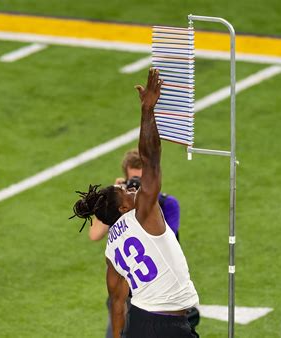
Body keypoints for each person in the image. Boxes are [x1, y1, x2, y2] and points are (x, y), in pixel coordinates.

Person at [71, 68, 199, 338]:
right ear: (124, 208)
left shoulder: (111, 249)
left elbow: (117, 305)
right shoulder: (143, 214)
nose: (132, 191)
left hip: (139, 323)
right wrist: (147, 111)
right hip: (169, 326)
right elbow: (151, 157)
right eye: (127, 193)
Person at [89, 149, 181, 242]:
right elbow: (94, 235)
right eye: (134, 180)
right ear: (126, 180)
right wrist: (110, 199)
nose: (139, 186)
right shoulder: (121, 207)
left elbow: (167, 242)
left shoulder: (167, 204)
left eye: (143, 179)